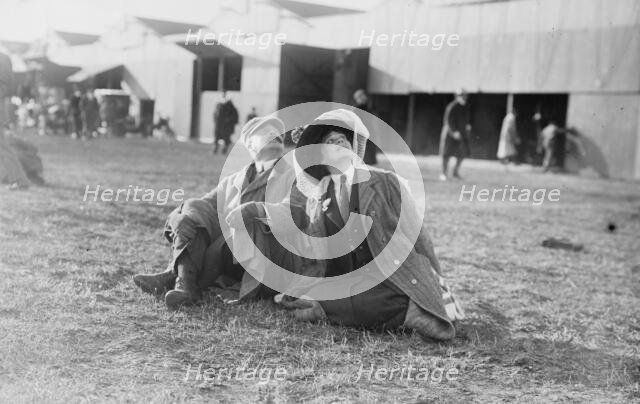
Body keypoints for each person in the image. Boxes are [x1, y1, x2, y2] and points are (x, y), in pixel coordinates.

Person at [247, 109, 464, 341]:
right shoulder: (318, 195)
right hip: (352, 280)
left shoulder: (385, 181)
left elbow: (417, 233)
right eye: (331, 141)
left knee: (371, 299)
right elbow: (298, 225)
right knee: (309, 296)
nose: (340, 142)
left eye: (343, 139)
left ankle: (405, 311)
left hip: (391, 277)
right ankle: (338, 306)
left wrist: (437, 280)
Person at [133, 116, 306, 308]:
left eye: (277, 133)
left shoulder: (295, 174)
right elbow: (201, 208)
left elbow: (297, 211)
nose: (275, 135)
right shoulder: (233, 181)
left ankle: (176, 275)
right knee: (192, 209)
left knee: (233, 229)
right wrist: (183, 215)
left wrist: (256, 209)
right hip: (229, 256)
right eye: (265, 132)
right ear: (249, 145)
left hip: (268, 258)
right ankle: (185, 283)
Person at [440, 89, 471, 181]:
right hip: (450, 134)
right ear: (457, 96)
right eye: (462, 95)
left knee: (461, 154)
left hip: (460, 135)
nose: (463, 97)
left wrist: (467, 126)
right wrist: (453, 132)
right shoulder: (452, 107)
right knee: (446, 155)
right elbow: (447, 121)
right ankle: (443, 173)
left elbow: (466, 119)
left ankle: (455, 172)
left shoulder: (464, 107)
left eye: (465, 95)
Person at [352, 89, 378, 165]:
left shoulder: (369, 108)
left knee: (370, 157)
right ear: (357, 98)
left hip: (370, 133)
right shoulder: (356, 109)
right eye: (361, 96)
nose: (363, 97)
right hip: (361, 134)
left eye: (364, 95)